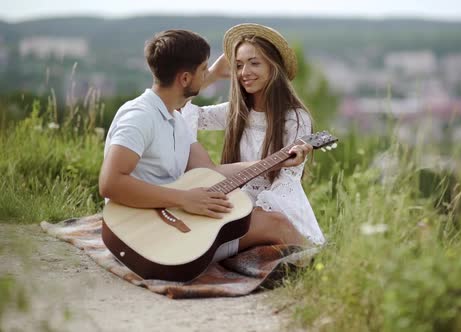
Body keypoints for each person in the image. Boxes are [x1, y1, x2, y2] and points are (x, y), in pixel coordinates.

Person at [99, 29, 312, 262]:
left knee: (257, 219)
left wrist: (274, 161)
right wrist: (183, 198)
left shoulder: (175, 120)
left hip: (171, 219)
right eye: (204, 70)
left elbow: (211, 171)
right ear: (185, 78)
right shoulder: (139, 116)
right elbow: (110, 183)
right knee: (278, 225)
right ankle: (316, 272)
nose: (210, 75)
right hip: (144, 231)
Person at [181, 23, 326, 249]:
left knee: (266, 225)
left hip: (274, 208)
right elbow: (183, 111)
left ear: (273, 67)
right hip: (234, 203)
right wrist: (212, 76)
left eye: (254, 63)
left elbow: (286, 182)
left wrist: (257, 210)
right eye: (238, 65)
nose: (244, 73)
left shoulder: (295, 118)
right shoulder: (236, 111)